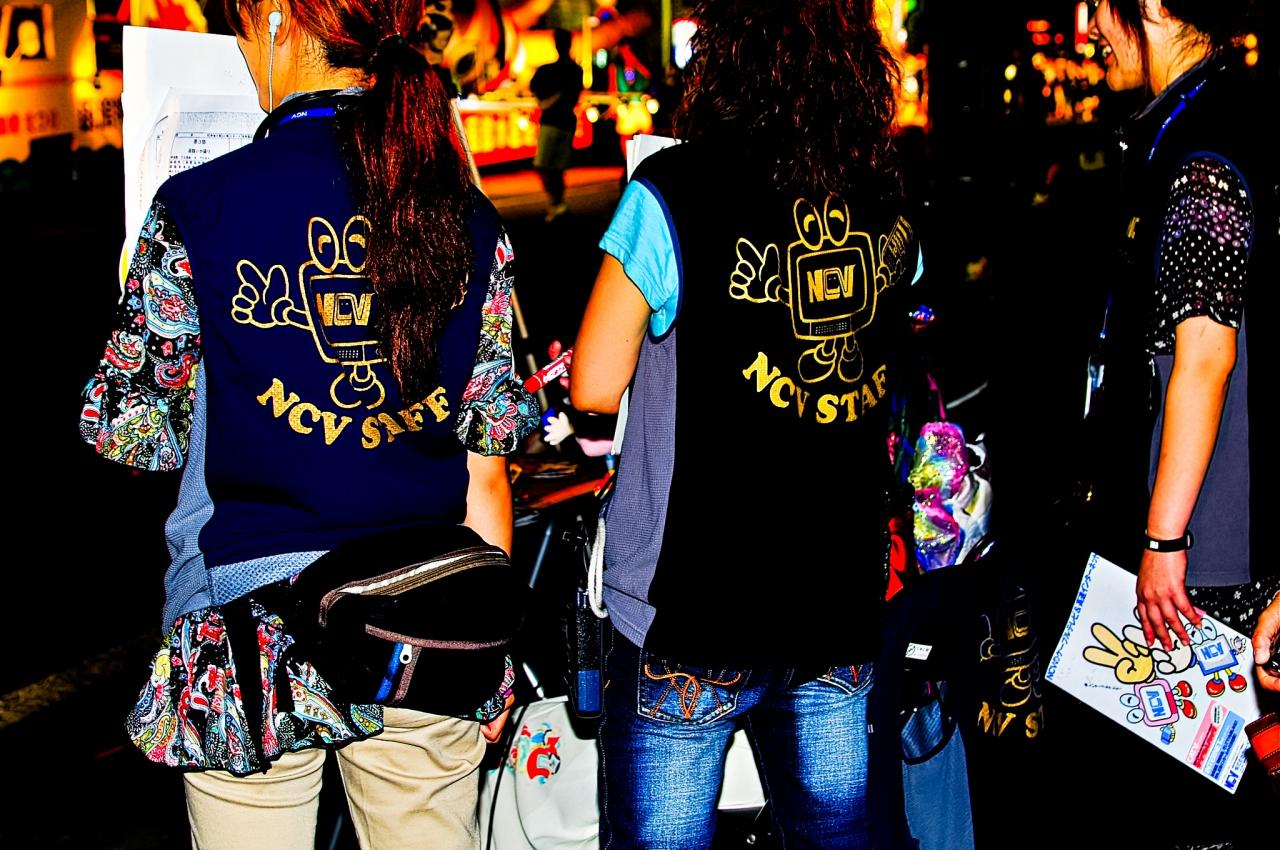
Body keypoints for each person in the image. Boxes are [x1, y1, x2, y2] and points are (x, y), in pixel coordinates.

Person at [78, 1, 538, 846]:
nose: (242, 51)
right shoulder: (468, 216)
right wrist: (487, 656)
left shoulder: (199, 202)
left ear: (278, 19)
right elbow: (487, 467)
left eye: (239, 28)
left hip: (250, 626)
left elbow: (133, 436)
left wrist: (157, 301)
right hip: (425, 616)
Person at [570, 1, 920, 846]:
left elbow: (594, 384)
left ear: (723, 56)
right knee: (838, 837)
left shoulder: (675, 190)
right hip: (835, 598)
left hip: (697, 607)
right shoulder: (885, 192)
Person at [1085, 0, 1275, 843]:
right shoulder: (1227, 113)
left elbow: (1203, 352)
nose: (1090, 24)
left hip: (1206, 552)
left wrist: (1162, 538)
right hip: (1224, 533)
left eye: (1102, 2)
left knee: (1189, 815)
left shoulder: (1202, 149)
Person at [529, 28, 582, 222]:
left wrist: (545, 101)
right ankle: (558, 203)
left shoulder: (548, 70)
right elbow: (574, 95)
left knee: (544, 165)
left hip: (552, 121)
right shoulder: (575, 70)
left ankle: (556, 202)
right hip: (566, 121)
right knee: (556, 167)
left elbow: (534, 87)